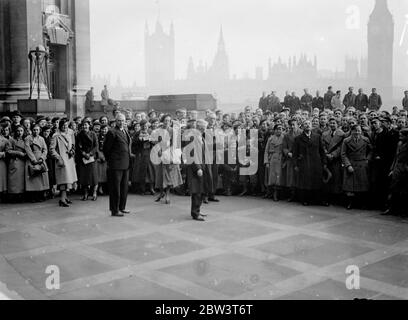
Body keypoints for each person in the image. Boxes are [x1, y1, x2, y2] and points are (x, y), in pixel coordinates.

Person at [103, 113, 132, 217]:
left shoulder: (125, 131)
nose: (121, 122)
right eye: (119, 120)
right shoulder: (112, 132)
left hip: (125, 164)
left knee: (124, 188)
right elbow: (106, 149)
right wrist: (111, 161)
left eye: (123, 121)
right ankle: (114, 210)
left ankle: (122, 207)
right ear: (115, 121)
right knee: (115, 189)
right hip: (115, 165)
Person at [293, 119, 327, 206]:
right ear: (302, 126)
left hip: (316, 163)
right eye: (305, 124)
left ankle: (319, 200)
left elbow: (322, 151)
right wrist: (296, 164)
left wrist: (324, 163)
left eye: (309, 124)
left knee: (318, 182)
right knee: (305, 182)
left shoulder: (317, 136)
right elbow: (295, 153)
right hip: (304, 163)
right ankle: (305, 200)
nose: (307, 125)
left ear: (311, 126)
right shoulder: (298, 139)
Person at [341, 125, 372, 210]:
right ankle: (350, 203)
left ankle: (361, 203)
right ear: (351, 131)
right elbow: (343, 154)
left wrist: (367, 160)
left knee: (362, 186)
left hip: (362, 164)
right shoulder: (346, 141)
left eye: (358, 131)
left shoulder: (366, 140)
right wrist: (348, 165)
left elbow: (371, 151)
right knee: (350, 186)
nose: (357, 133)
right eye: (355, 131)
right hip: (352, 163)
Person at [154, 114, 183, 204]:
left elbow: (176, 144)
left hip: (170, 154)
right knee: (160, 175)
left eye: (169, 121)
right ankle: (162, 192)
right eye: (165, 120)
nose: (167, 122)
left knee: (169, 175)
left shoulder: (173, 131)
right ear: (162, 121)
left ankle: (167, 194)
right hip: (160, 154)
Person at [49, 118, 77, 207]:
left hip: (69, 159)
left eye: (66, 125)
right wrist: (58, 157)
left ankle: (65, 198)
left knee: (68, 180)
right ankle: (62, 199)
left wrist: (72, 151)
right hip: (62, 160)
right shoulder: (56, 136)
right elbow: (52, 149)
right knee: (63, 181)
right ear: (60, 126)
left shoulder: (69, 133)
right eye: (63, 125)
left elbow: (72, 144)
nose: (65, 127)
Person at [383, 129, 408, 216]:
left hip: (405, 168)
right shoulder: (399, 143)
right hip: (397, 168)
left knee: (404, 191)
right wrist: (392, 169)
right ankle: (391, 208)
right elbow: (396, 157)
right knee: (393, 189)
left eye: (402, 135)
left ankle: (403, 210)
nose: (400, 137)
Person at [322, 117, 345, 204]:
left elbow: (341, 147)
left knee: (336, 178)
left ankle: (336, 198)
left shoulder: (341, 134)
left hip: (335, 159)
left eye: (334, 123)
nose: (332, 125)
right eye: (330, 123)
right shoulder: (324, 134)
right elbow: (322, 145)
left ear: (337, 124)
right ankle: (328, 198)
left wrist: (333, 155)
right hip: (327, 158)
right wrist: (326, 153)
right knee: (328, 178)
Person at [25, 124, 50, 202]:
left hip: (40, 159)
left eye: (37, 130)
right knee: (33, 178)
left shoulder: (42, 139)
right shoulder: (28, 138)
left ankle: (40, 195)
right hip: (32, 159)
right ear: (32, 130)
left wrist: (42, 158)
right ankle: (33, 196)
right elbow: (28, 149)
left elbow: (45, 149)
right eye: (34, 130)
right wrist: (33, 160)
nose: (36, 131)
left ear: (40, 131)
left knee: (40, 178)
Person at [131, 119, 155, 195]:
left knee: (150, 171)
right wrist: (139, 140)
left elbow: (156, 142)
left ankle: (151, 187)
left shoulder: (151, 132)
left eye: (146, 125)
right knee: (141, 171)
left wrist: (151, 140)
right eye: (143, 126)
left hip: (149, 152)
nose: (144, 127)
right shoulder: (137, 133)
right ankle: (142, 188)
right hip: (140, 153)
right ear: (140, 126)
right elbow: (133, 144)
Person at [76, 120, 99, 201]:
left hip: (92, 158)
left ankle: (94, 193)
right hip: (83, 158)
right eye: (83, 125)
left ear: (89, 126)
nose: (84, 127)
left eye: (86, 125)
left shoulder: (93, 134)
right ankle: (85, 194)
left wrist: (90, 153)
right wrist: (84, 154)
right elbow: (78, 146)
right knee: (84, 177)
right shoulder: (79, 135)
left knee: (94, 176)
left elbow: (96, 146)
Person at [6, 125, 26, 202]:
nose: (19, 132)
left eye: (21, 131)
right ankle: (14, 195)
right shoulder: (11, 140)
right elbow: (8, 151)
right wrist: (18, 153)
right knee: (13, 179)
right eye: (18, 131)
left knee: (21, 179)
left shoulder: (25, 140)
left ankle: (21, 195)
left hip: (22, 161)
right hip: (14, 161)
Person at [264, 124, 284, 201]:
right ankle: (272, 193)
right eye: (278, 129)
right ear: (274, 130)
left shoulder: (284, 138)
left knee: (279, 177)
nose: (279, 130)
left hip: (280, 158)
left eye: (281, 129)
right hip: (272, 159)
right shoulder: (270, 139)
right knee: (272, 177)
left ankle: (278, 193)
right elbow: (266, 151)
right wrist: (266, 162)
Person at [0, 126, 10, 202]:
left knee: (1, 178)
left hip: (1, 161)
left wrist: (2, 154)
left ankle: (2, 195)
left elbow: (8, 151)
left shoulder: (5, 140)